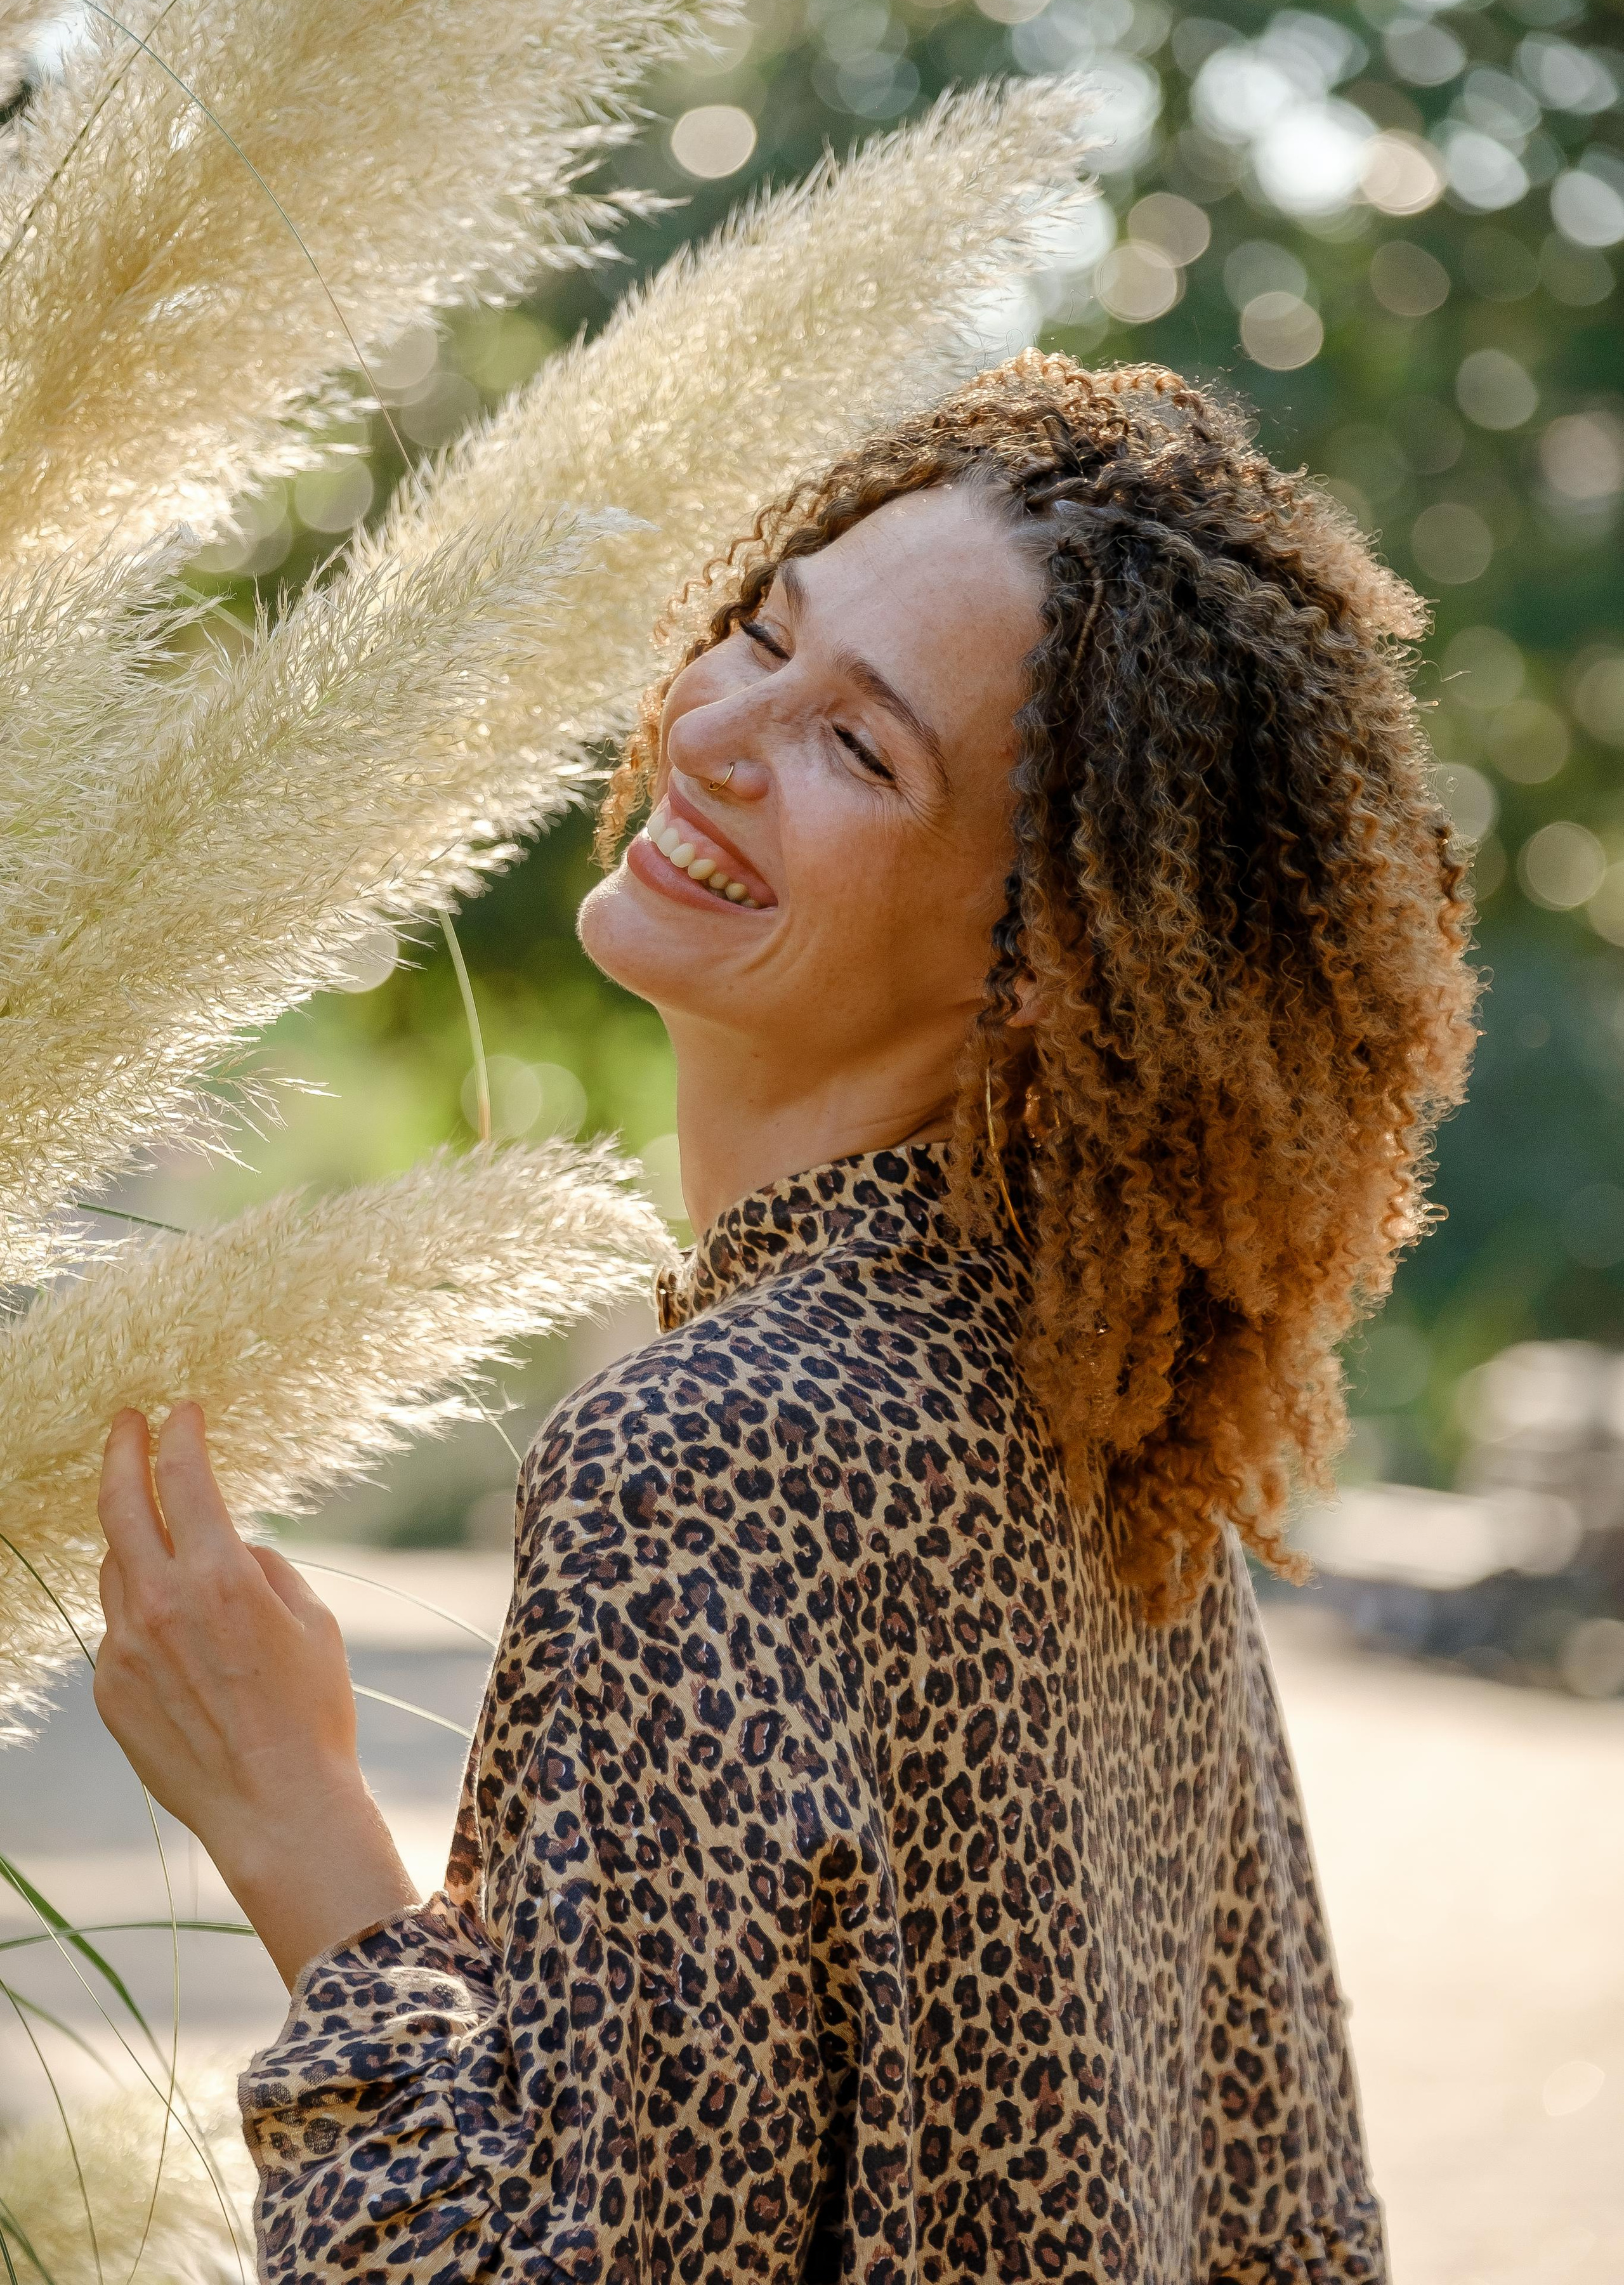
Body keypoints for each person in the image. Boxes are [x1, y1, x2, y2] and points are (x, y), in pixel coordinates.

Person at [93, 351, 1476, 2282]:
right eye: (760, 631)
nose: (725, 728)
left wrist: (293, 1820)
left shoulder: (713, 1451)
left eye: (862, 750)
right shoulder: (1085, 1429)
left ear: (1045, 958)